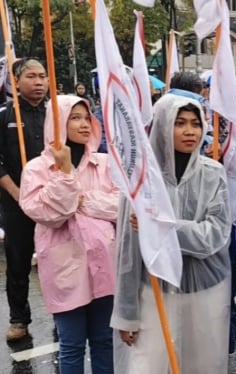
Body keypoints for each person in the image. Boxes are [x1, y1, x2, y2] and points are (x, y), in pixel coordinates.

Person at [111, 94, 233, 373]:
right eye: (179, 123)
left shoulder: (213, 173)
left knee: (201, 364)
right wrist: (126, 314)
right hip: (153, 292)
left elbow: (215, 234)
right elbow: (127, 253)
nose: (190, 131)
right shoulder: (141, 180)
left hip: (205, 290)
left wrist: (163, 228)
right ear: (164, 126)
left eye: (195, 123)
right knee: (149, 365)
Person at [19, 96, 118, 374]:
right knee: (72, 344)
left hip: (104, 263)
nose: (85, 124)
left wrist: (83, 200)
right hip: (65, 269)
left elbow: (121, 204)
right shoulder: (37, 169)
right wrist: (65, 175)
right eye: (75, 117)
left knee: (104, 340)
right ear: (57, 123)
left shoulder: (104, 163)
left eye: (87, 117)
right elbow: (48, 213)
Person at [0, 58, 48, 341]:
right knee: (18, 263)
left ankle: (65, 315)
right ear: (16, 81)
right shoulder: (5, 114)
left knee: (58, 260)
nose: (39, 82)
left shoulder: (57, 113)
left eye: (43, 76)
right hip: (15, 201)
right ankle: (19, 319)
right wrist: (17, 192)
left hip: (52, 201)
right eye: (32, 76)